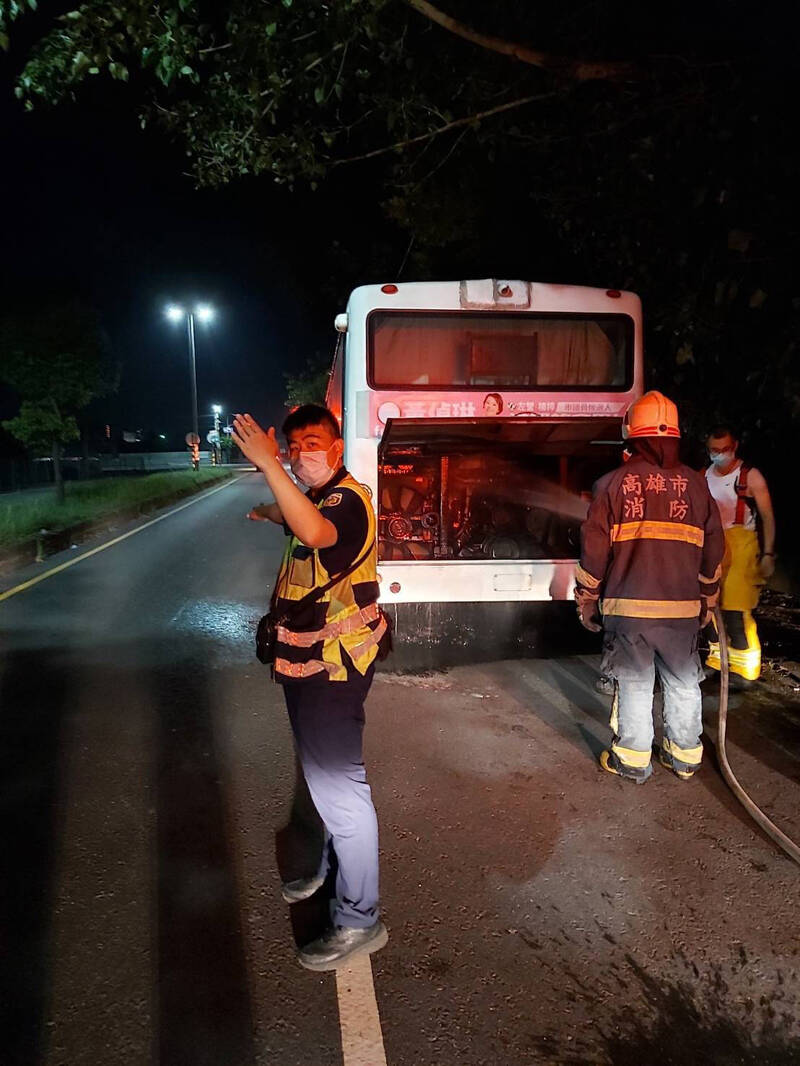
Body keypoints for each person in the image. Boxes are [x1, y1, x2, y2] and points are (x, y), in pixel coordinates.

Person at [232, 403, 388, 971]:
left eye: (313, 444)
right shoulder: (318, 496)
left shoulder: (346, 500)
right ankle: (335, 871)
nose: (302, 455)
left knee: (341, 789)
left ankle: (359, 918)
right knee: (324, 782)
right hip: (311, 662)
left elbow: (318, 530)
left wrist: (269, 466)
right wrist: (268, 507)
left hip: (335, 668)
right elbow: (295, 515)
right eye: (293, 448)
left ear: (339, 449)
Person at [574, 391, 725, 783]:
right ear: (675, 436)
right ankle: (685, 756)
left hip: (630, 610)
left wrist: (587, 598)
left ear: (632, 437)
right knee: (683, 680)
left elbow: (594, 550)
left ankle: (632, 758)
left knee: (636, 682)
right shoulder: (696, 486)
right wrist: (708, 596)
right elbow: (714, 548)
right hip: (682, 610)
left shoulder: (612, 484)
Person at [703, 425, 775, 686]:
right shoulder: (703, 476)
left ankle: (745, 669)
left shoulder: (749, 476)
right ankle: (717, 661)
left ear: (734, 448)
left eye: (723, 450)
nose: (718, 455)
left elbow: (767, 516)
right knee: (708, 608)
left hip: (742, 547)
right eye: (713, 450)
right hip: (712, 546)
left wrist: (768, 553)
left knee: (735, 611)